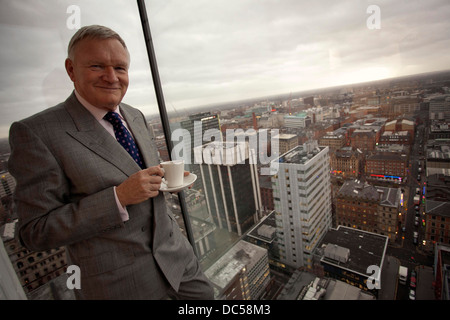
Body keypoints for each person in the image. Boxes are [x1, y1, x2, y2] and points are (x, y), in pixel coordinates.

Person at [8, 25, 214, 300]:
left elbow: (133, 174)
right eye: (97, 66)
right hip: (119, 285)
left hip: (179, 262)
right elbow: (34, 232)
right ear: (71, 70)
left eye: (120, 68)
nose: (111, 77)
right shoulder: (37, 133)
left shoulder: (136, 115)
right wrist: (118, 198)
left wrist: (164, 179)